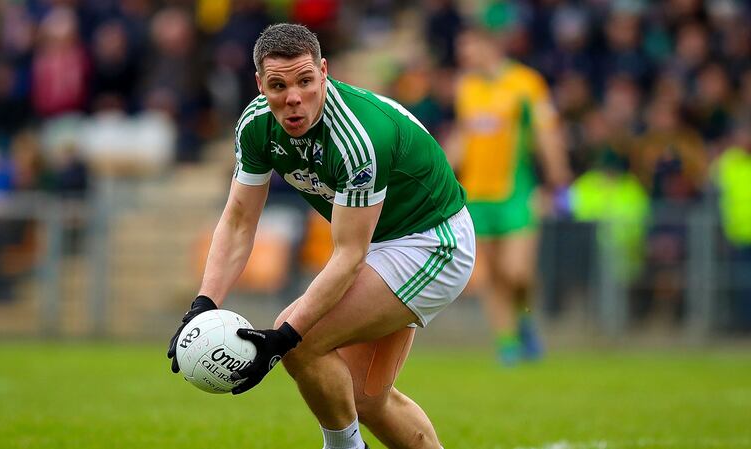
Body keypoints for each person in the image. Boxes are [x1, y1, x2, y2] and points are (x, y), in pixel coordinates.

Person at [167, 24, 475, 449]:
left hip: (432, 242)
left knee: (301, 339)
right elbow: (238, 221)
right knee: (366, 400)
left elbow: (349, 256)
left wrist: (283, 338)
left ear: (324, 72)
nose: (293, 97)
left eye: (305, 81)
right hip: (380, 242)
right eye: (279, 86)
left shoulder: (357, 138)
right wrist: (204, 304)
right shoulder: (256, 125)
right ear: (260, 85)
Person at [451, 13, 571, 365]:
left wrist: (559, 178)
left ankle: (526, 319)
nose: (462, 54)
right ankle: (507, 344)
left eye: (467, 47)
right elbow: (464, 135)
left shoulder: (526, 83)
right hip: (476, 195)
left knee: (517, 272)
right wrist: (439, 169)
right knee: (491, 274)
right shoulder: (466, 87)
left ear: (489, 45)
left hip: (516, 193)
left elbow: (546, 132)